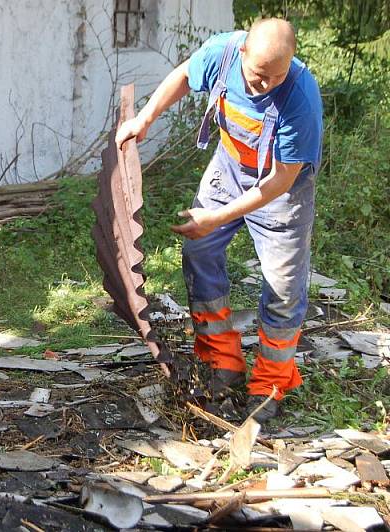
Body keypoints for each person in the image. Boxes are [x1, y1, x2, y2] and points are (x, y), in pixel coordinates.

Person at [115, 18, 323, 422]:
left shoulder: (301, 97)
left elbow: (281, 180)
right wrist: (145, 118)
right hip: (229, 168)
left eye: (277, 76)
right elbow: (182, 76)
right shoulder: (223, 51)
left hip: (282, 190)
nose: (267, 85)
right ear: (243, 51)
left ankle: (270, 385)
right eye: (260, 76)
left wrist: (217, 217)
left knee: (283, 287)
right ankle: (221, 361)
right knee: (198, 253)